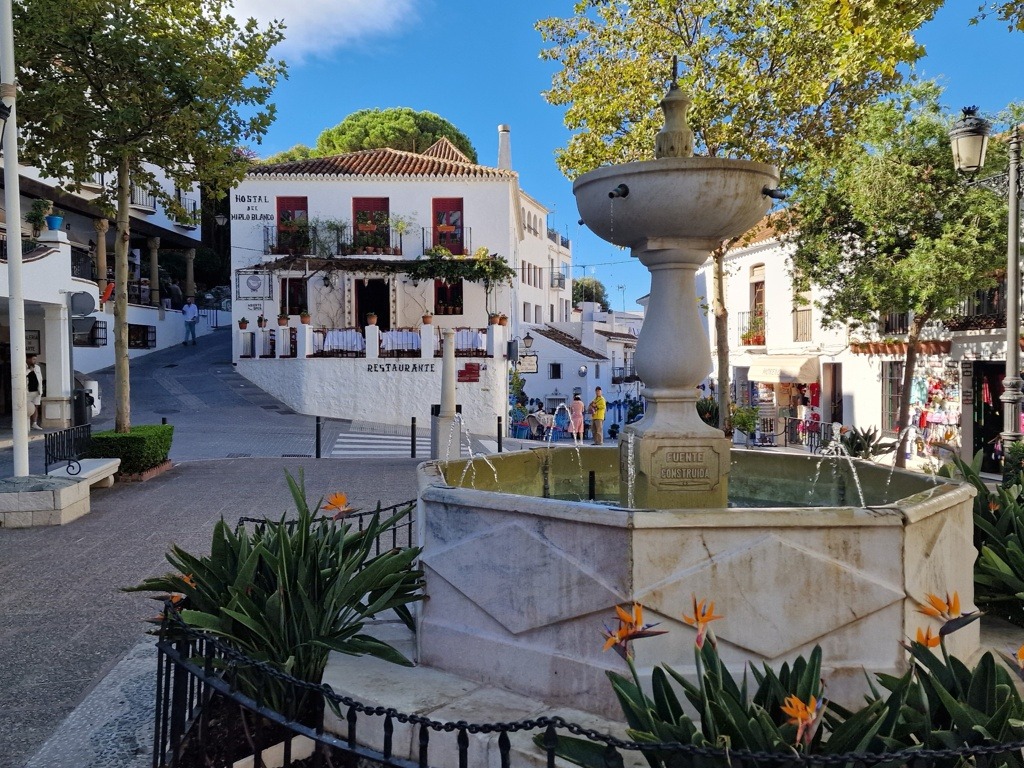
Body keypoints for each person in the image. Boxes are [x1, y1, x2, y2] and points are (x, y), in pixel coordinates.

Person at [26, 353, 43, 430]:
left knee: (36, 406)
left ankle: (34, 423)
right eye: (33, 359)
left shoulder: (37, 367)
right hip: (28, 391)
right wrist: (29, 370)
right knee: (25, 406)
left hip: (37, 390)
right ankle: (21, 422)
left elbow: (40, 379)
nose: (35, 361)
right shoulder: (24, 366)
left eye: (35, 359)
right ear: (28, 359)